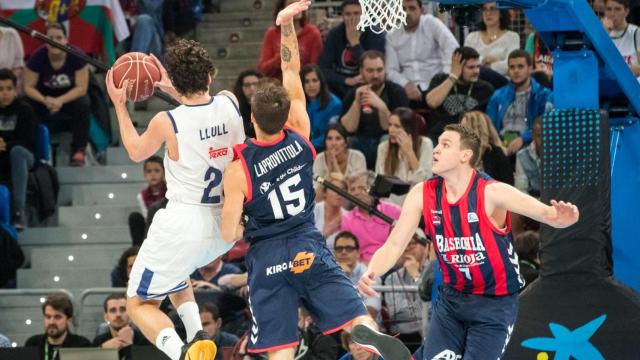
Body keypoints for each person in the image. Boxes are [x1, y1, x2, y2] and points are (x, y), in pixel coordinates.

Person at [220, 1, 410, 358]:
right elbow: (291, 70)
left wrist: (236, 210)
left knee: (281, 347)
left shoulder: (238, 167)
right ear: (284, 113)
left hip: (268, 254)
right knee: (353, 313)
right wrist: (287, 24)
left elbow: (230, 234)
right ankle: (366, 331)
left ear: (252, 117)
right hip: (308, 242)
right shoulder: (300, 134)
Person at [357, 124, 579, 359]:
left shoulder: (491, 192)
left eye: (446, 145)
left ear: (466, 155)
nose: (436, 150)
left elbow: (546, 214)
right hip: (452, 300)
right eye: (437, 143)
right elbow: (394, 245)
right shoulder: (422, 193)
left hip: (494, 304)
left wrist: (562, 219)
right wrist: (372, 271)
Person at [105, 38, 246, 360]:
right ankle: (196, 334)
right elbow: (200, 111)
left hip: (185, 222)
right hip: (225, 225)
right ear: (209, 75)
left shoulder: (166, 122)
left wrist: (119, 103)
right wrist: (177, 90)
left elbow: (136, 151)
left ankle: (180, 352)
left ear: (177, 81)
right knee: (176, 270)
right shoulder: (229, 102)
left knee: (139, 303)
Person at [23, 22, 90, 166]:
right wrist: (45, 100)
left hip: (68, 100)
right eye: (50, 37)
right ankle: (32, 148)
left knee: (83, 102)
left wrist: (59, 100)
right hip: (44, 101)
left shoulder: (77, 56)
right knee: (26, 104)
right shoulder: (37, 57)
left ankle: (79, 149)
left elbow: (81, 88)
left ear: (66, 40)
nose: (54, 41)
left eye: (59, 37)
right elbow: (28, 87)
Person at [340, 50, 410, 168]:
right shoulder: (354, 93)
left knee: (386, 139)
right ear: (361, 72)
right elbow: (349, 129)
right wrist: (357, 103)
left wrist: (381, 106)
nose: (376, 75)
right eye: (370, 71)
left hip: (387, 140)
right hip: (361, 141)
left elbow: (400, 129)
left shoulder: (397, 92)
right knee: (352, 141)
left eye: (379, 70)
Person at [385, 0, 459, 108]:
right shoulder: (392, 35)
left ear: (422, 10)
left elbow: (452, 50)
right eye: (403, 9)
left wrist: (445, 79)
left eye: (412, 8)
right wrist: (405, 84)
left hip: (436, 83)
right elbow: (390, 70)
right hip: (407, 89)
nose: (407, 13)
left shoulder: (432, 23)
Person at [487, 50, 553, 156]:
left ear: (530, 69)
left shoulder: (543, 95)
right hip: (501, 147)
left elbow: (543, 126)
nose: (516, 71)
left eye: (520, 67)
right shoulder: (497, 96)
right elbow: (490, 126)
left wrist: (523, 139)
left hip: (530, 146)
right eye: (512, 67)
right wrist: (498, 145)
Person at [425, 47, 495, 144]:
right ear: (457, 67)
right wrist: (453, 76)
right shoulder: (440, 80)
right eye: (471, 67)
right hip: (440, 137)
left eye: (478, 66)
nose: (476, 71)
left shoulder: (485, 88)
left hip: (470, 139)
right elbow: (432, 103)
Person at [318, 0, 386, 98]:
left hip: (367, 84)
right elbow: (323, 69)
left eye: (356, 13)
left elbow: (375, 67)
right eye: (348, 14)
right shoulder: (334, 34)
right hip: (339, 86)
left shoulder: (375, 34)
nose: (352, 18)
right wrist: (346, 80)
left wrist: (355, 44)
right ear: (342, 16)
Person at [0, 68, 37, 230]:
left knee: (17, 152)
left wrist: (6, 144)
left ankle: (19, 212)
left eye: (9, 89)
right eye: (0, 89)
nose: (5, 93)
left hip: (24, 156)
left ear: (15, 90)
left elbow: (28, 142)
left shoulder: (24, 109)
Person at [381, 232, 429, 353]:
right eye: (404, 245)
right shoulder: (391, 278)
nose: (407, 248)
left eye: (411, 244)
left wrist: (416, 277)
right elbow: (397, 314)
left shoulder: (434, 273)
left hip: (432, 331)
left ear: (425, 247)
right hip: (404, 336)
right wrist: (421, 313)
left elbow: (432, 309)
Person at [375, 107, 433, 205]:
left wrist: (409, 152)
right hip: (389, 204)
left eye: (397, 126)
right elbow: (380, 182)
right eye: (390, 125)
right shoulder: (383, 147)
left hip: (415, 203)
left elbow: (424, 181)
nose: (391, 130)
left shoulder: (425, 144)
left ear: (409, 129)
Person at [341, 172, 401, 263]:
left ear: (373, 189)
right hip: (364, 267)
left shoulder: (393, 211)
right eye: (352, 189)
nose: (356, 192)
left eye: (361, 188)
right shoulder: (346, 220)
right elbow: (349, 254)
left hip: (393, 262)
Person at [257, 0, 323, 79]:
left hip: (303, 86)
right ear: (282, 10)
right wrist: (281, 57)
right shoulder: (272, 34)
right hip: (277, 86)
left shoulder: (313, 33)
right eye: (291, 4)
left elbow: (315, 69)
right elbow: (263, 69)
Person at [24, 293, 91, 360]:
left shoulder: (81, 346)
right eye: (48, 317)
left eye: (57, 317)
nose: (51, 322)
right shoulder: (33, 343)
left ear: (69, 321)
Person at [463, 2, 520, 76]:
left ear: (501, 13)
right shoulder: (472, 37)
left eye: (492, 9)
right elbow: (465, 61)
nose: (488, 13)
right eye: (484, 9)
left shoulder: (512, 37)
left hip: (502, 83)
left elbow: (512, 64)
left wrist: (488, 66)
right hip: (476, 83)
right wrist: (484, 60)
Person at [333, 231, 381, 317]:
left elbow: (372, 310)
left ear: (358, 253)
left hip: (364, 326)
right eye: (339, 249)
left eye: (349, 248)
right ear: (334, 253)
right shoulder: (329, 275)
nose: (343, 252)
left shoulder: (370, 275)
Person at [312, 124, 366, 197]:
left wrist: (334, 164)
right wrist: (329, 173)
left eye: (338, 138)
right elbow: (317, 194)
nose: (333, 143)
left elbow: (353, 192)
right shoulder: (319, 159)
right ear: (325, 142)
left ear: (345, 142)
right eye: (329, 138)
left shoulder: (357, 157)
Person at [460, 111, 513, 184]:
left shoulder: (495, 153)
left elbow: (507, 184)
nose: (460, 133)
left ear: (476, 130)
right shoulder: (461, 153)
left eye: (465, 128)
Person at [93, 294, 149, 358]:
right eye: (113, 310)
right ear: (106, 317)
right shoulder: (99, 341)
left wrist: (128, 346)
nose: (118, 314)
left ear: (130, 314)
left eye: (123, 309)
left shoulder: (145, 340)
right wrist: (103, 350)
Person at [128, 156, 167, 246]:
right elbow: (147, 218)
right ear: (144, 175)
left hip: (167, 226)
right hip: (150, 227)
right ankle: (138, 249)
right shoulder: (141, 196)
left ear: (164, 173)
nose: (153, 174)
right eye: (149, 171)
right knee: (134, 217)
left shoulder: (170, 191)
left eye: (157, 171)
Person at [301, 64, 342, 150]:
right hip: (302, 146)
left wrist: (307, 146)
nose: (311, 85)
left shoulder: (335, 105)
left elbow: (331, 134)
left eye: (315, 80)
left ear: (321, 82)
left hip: (324, 149)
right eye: (307, 81)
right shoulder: (298, 104)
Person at [604, 0, 640, 76]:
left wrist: (620, 69)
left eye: (617, 9)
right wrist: (605, 34)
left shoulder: (636, 32)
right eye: (609, 9)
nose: (612, 14)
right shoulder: (601, 35)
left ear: (626, 12)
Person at [314, 174, 347, 250]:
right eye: (334, 189)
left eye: (342, 189)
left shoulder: (347, 217)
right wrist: (325, 233)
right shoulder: (313, 211)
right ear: (324, 192)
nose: (339, 193)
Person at [515, 117, 542, 197]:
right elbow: (521, 190)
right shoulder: (522, 156)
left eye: (547, 135)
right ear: (533, 135)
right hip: (532, 203)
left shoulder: (559, 155)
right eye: (539, 135)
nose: (543, 139)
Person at [233, 70, 264, 138]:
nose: (251, 88)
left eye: (255, 84)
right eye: (247, 85)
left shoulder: (271, 107)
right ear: (241, 88)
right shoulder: (235, 109)